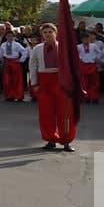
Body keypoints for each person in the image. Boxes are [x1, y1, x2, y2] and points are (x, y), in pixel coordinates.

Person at [29, 23, 76, 152]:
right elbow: (32, 66)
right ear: (42, 35)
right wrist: (34, 83)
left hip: (60, 82)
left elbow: (70, 66)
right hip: (44, 82)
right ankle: (50, 139)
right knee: (46, 113)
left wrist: (70, 83)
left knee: (64, 112)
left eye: (50, 31)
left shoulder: (63, 47)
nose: (48, 34)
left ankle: (66, 140)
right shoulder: (37, 49)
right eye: (45, 32)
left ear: (55, 32)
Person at [0, 31, 28, 102]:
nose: (10, 37)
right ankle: (9, 95)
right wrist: (0, 59)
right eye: (8, 36)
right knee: (7, 80)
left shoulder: (17, 44)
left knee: (16, 80)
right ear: (6, 37)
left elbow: (24, 51)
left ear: (13, 37)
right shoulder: (3, 45)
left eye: (11, 36)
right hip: (7, 62)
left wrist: (21, 60)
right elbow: (0, 53)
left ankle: (18, 95)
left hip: (15, 62)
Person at [76, 33, 101, 104]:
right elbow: (76, 55)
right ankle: (86, 97)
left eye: (87, 39)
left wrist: (96, 58)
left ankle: (94, 97)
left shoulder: (93, 46)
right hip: (83, 65)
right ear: (82, 40)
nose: (86, 40)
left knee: (94, 82)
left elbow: (99, 53)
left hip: (92, 64)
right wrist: (80, 59)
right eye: (84, 39)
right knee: (85, 82)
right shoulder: (79, 46)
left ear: (89, 39)